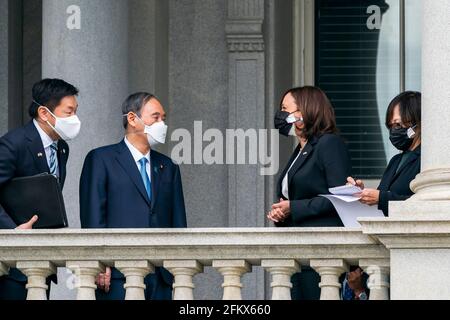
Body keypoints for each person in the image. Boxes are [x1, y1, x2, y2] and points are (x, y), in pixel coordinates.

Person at [79, 92, 187, 300]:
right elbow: (93, 216)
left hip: (161, 276)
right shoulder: (101, 159)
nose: (161, 124)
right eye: (155, 117)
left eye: (163, 118)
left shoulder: (168, 166)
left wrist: (177, 271)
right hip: (118, 274)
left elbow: (178, 222)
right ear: (132, 119)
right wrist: (100, 262)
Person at [268, 86, 352, 300]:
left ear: (304, 110)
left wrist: (292, 207)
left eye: (286, 109)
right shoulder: (299, 149)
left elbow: (340, 198)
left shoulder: (328, 144)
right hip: (295, 250)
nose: (281, 115)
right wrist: (281, 212)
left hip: (320, 250)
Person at [0, 78, 80, 300]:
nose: (74, 119)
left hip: (41, 260)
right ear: (45, 113)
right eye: (69, 112)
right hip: (11, 265)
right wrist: (12, 230)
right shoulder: (13, 144)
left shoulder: (61, 148)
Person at [348, 91, 422, 216]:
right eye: (390, 126)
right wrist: (362, 193)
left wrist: (381, 198)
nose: (394, 130)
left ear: (416, 124)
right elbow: (380, 198)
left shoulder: (427, 159)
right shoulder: (396, 161)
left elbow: (427, 204)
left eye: (398, 124)